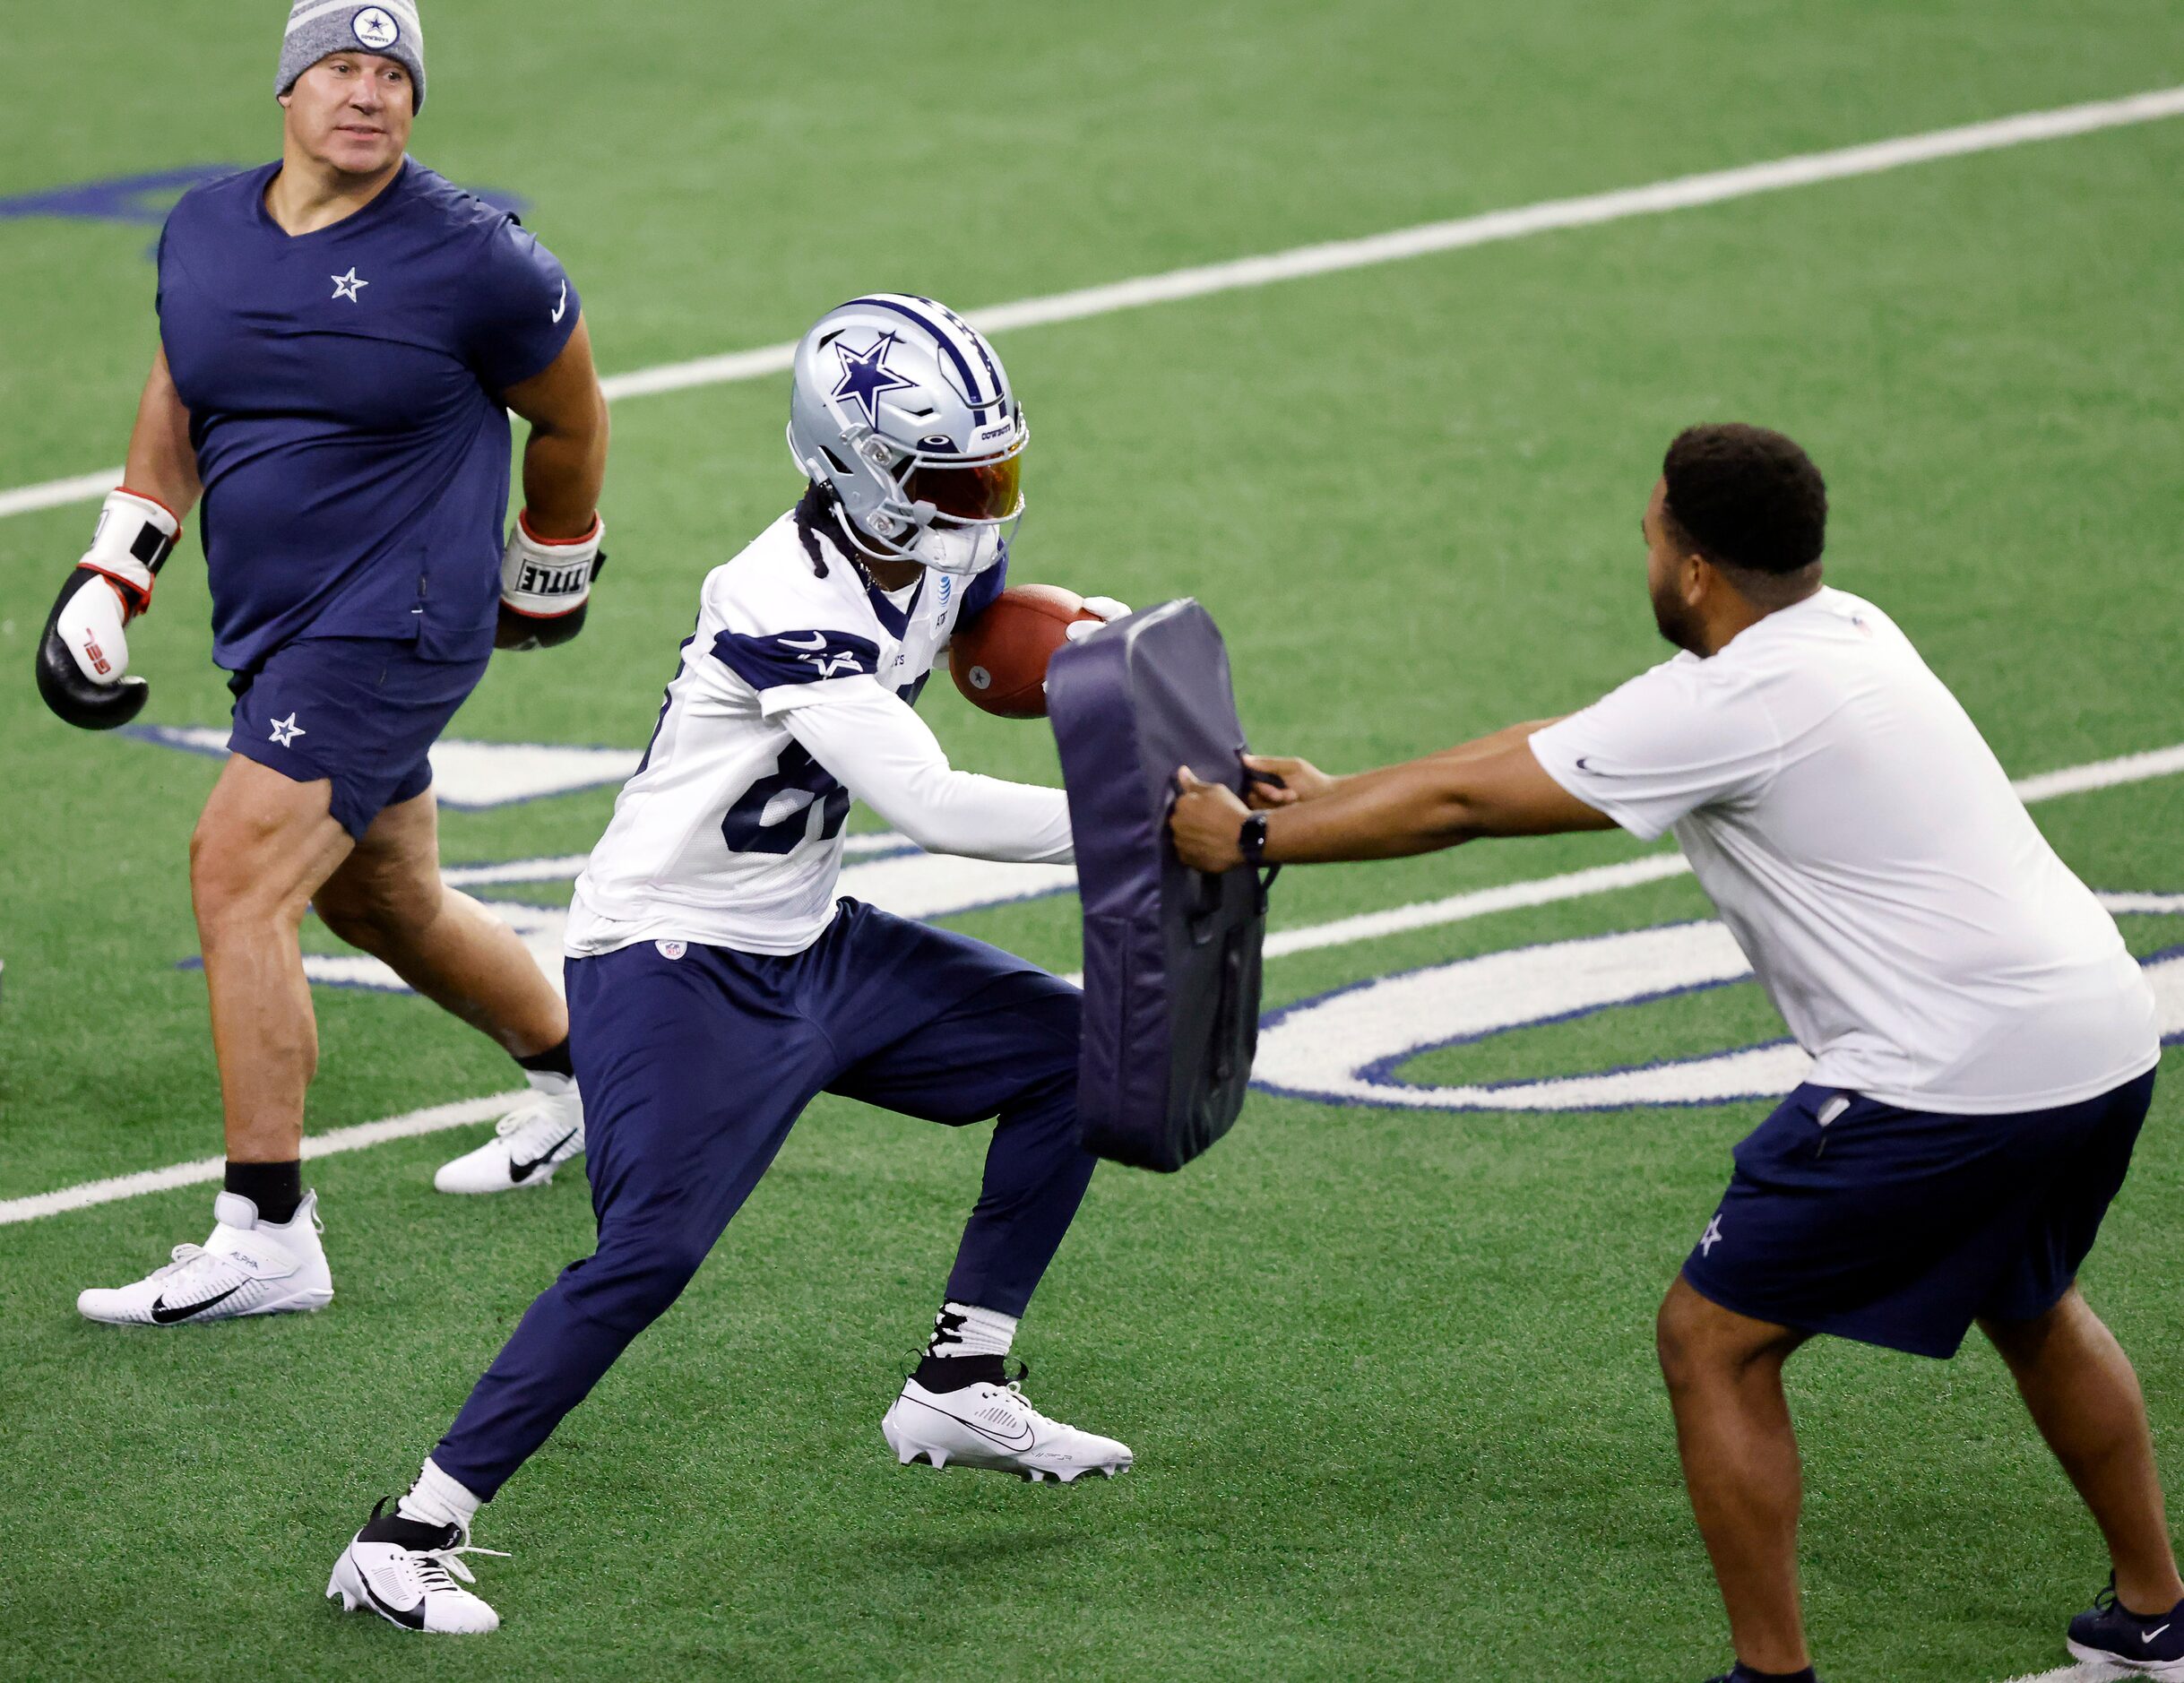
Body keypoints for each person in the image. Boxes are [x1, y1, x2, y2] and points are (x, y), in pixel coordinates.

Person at [1170, 424, 2173, 1683]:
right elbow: (1559, 740)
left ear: (1692, 568)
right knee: (2026, 1299)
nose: (1641, 554)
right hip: (2094, 1030)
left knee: (1713, 1340)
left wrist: (1254, 845)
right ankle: (2157, 1614)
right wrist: (1331, 792)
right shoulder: (1843, 629)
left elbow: (1475, 804)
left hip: (1948, 1070)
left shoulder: (1734, 699)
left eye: (1648, 536)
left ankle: (1770, 1675)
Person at [324, 296, 1134, 1635]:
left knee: (1072, 1053)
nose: (984, 502)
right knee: (645, 1256)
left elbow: (990, 625)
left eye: (992, 468)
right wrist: (1136, 826)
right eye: (953, 477)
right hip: (673, 956)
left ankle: (959, 1374)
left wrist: (1078, 645)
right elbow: (928, 801)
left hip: (808, 928)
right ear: (854, 469)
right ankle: (404, 1534)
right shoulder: (776, 595)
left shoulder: (937, 539)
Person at [47, 2, 613, 1330]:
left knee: (236, 873)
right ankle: (593, 1080)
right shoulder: (204, 229)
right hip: (273, 622)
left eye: (392, 74)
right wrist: (112, 571)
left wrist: (550, 567)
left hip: (397, 619)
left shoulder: (473, 256)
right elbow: (178, 401)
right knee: (385, 900)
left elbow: (571, 413)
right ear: (290, 92)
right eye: (340, 69)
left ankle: (268, 1230)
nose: (368, 94)